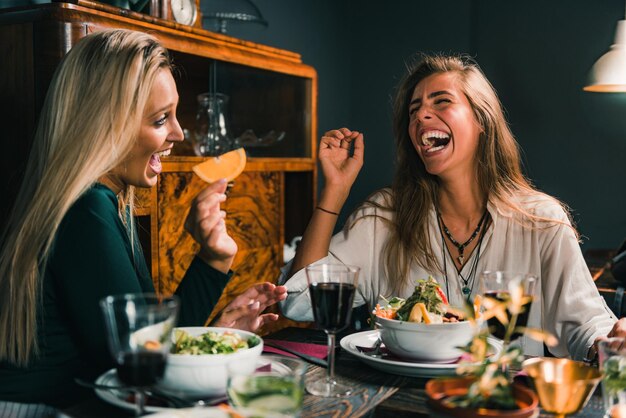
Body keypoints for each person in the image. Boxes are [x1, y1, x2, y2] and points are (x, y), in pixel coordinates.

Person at [0, 29, 286, 412]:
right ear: (103, 124)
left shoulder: (98, 203)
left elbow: (142, 344)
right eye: (159, 119)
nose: (178, 133)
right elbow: (141, 367)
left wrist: (216, 310)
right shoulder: (85, 210)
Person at [280, 52, 625, 361]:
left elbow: (586, 322)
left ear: (481, 120)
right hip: (398, 403)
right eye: (414, 111)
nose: (420, 116)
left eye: (441, 102)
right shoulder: (383, 216)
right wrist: (335, 190)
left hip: (498, 405)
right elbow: (297, 302)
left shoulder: (541, 220)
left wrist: (610, 342)